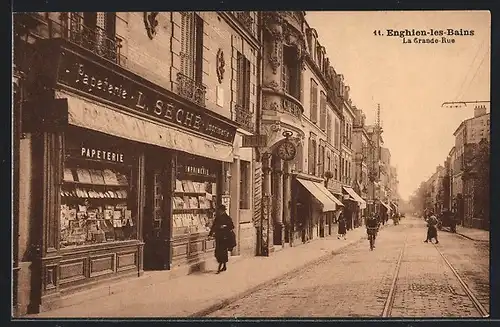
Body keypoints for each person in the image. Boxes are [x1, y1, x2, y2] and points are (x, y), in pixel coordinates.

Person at [209, 205, 235, 273]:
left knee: (222, 252)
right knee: (218, 252)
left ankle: (219, 267)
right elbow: (214, 226)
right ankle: (224, 266)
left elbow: (232, 226)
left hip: (224, 237)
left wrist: (224, 226)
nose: (219, 211)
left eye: (220, 210)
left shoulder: (227, 218)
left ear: (223, 210)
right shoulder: (218, 218)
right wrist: (210, 234)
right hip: (218, 237)